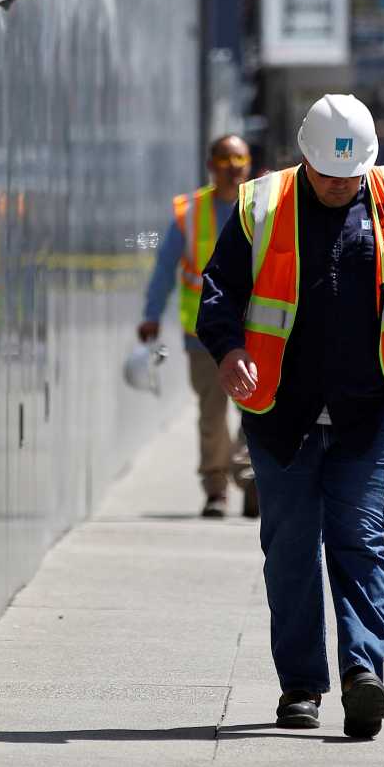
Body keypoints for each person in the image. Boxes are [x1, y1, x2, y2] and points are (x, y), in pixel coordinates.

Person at [197, 94, 384, 738]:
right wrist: (228, 352)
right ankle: (301, 688)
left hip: (374, 409)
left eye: (349, 175)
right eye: (326, 173)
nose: (338, 185)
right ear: (304, 158)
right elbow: (219, 290)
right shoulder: (262, 206)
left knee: (360, 542)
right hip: (284, 412)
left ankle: (365, 673)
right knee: (289, 552)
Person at [139, 134, 257, 519]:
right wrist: (151, 314)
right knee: (212, 414)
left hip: (255, 330)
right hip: (202, 335)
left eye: (239, 163)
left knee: (255, 409)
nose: (233, 171)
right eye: (225, 163)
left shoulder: (262, 207)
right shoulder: (190, 212)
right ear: (212, 166)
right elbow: (164, 267)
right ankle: (216, 488)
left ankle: (252, 478)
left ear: (248, 165)